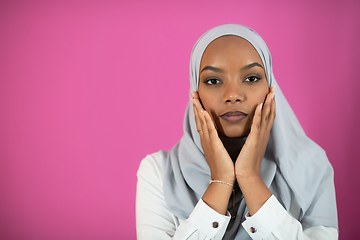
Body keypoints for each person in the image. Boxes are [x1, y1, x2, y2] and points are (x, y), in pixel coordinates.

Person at [136, 24, 338, 240]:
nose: (232, 95)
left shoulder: (311, 168)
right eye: (213, 81)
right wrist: (221, 180)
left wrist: (250, 178)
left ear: (270, 88)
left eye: (251, 78)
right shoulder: (159, 173)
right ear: (195, 93)